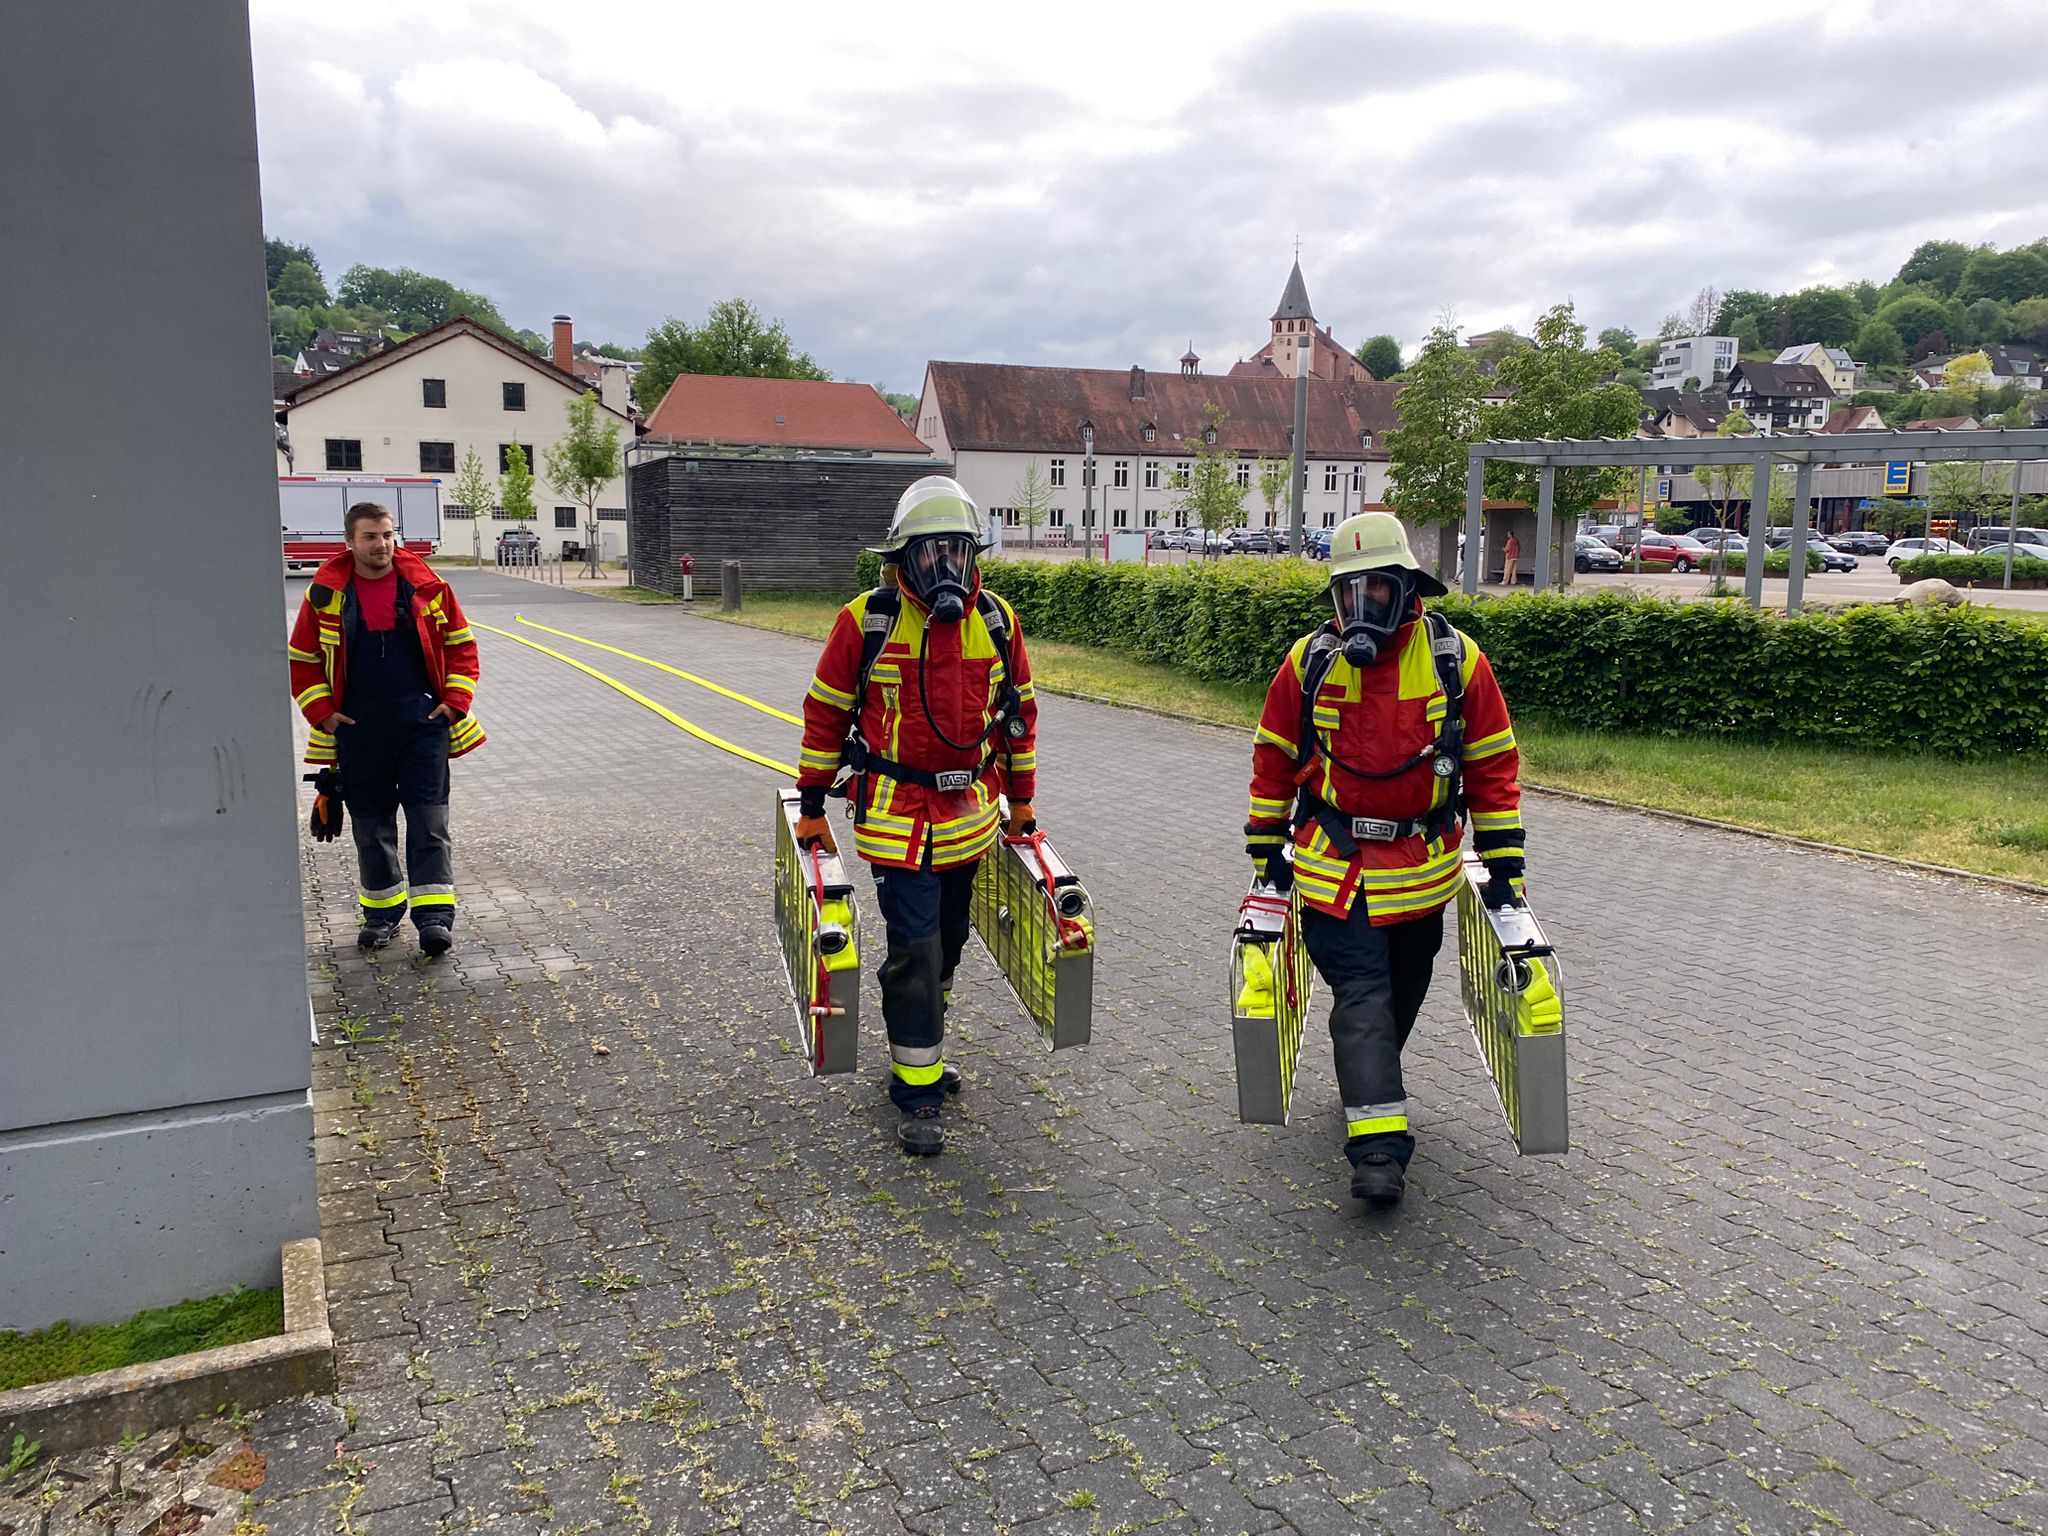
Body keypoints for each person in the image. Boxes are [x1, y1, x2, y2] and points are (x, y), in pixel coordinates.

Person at [1243, 512, 1525, 1207]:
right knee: (1362, 994)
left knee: (1401, 990)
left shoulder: (1457, 661)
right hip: (1335, 868)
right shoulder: (1309, 662)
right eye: (1348, 591)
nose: (1360, 604)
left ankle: (1368, 1076)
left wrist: (1503, 858)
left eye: (1375, 588)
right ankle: (1377, 1149)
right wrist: (1265, 842)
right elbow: (1274, 754)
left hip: (1421, 873)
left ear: (1407, 589)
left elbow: (1491, 762)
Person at [795, 477, 1038, 1156]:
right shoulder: (866, 622)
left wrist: (1022, 801)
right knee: (917, 949)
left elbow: (1019, 720)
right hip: (897, 822)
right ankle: (916, 1090)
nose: (944, 566)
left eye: (956, 551)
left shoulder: (998, 622)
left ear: (972, 554)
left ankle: (922, 1047)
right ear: (903, 557)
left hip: (968, 822)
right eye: (930, 553)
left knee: (950, 943)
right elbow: (824, 715)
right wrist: (811, 804)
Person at [289, 502, 485, 955]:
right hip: (359, 729)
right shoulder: (325, 595)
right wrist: (323, 712)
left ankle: (434, 920)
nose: (382, 545)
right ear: (349, 542)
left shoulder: (429, 587)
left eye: (388, 535)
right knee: (371, 827)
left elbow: (462, 646)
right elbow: (303, 658)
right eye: (371, 537)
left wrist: (455, 703)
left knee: (429, 823)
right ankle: (381, 916)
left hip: (422, 724)